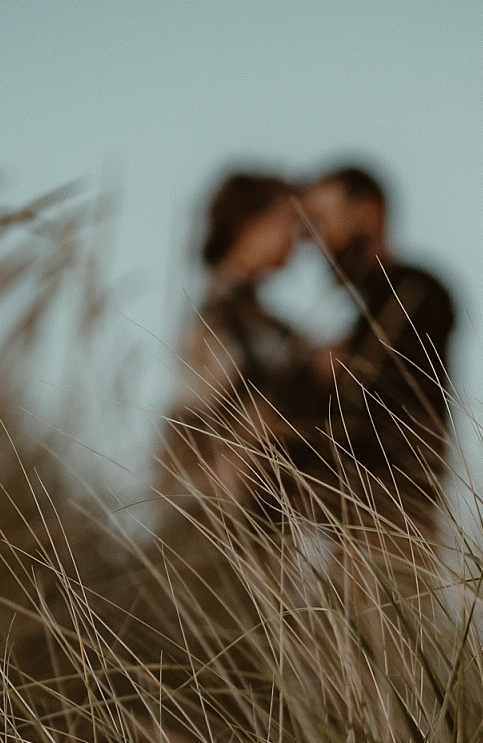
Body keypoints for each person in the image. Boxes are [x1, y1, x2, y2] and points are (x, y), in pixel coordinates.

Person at [294, 165, 456, 538]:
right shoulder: (370, 306)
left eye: (321, 221)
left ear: (368, 212)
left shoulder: (414, 293)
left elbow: (380, 401)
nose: (312, 240)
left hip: (388, 516)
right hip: (354, 518)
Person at [158, 172, 317, 511]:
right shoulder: (222, 312)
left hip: (228, 494)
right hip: (212, 496)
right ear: (250, 225)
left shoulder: (250, 314)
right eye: (288, 222)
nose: (297, 238)